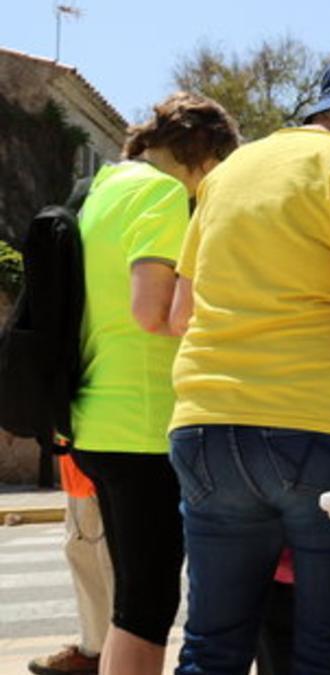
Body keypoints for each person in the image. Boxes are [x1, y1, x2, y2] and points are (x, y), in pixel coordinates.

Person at [166, 59, 330, 673]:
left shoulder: (228, 173)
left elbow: (182, 312)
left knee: (211, 644)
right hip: (326, 425)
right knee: (327, 648)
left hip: (208, 422)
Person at [67, 91, 239, 675]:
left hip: (97, 417)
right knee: (149, 604)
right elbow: (153, 313)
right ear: (204, 156)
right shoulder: (163, 194)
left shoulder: (104, 189)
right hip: (145, 424)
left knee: (132, 600)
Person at [27, 455, 114, 675]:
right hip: (91, 463)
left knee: (96, 557)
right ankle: (101, 647)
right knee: (90, 554)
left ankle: (101, 650)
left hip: (99, 457)